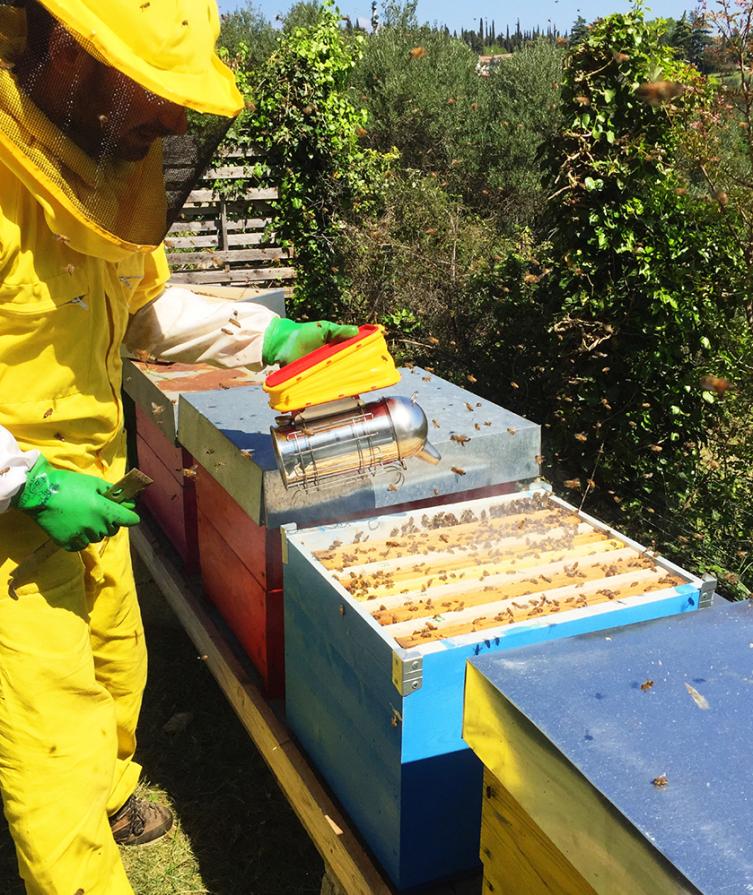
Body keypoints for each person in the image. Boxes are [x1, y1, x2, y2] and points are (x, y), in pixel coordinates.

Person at [0, 2, 358, 893]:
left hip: (93, 476)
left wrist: (268, 337)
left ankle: (114, 788)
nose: (163, 120)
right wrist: (21, 483)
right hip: (11, 512)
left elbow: (149, 308)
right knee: (46, 734)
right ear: (73, 59)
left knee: (118, 657)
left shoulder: (95, 176)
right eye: (147, 93)